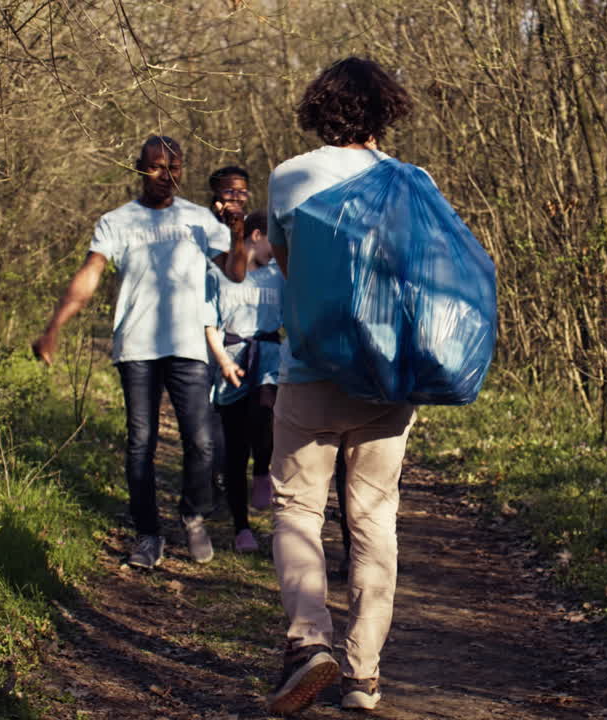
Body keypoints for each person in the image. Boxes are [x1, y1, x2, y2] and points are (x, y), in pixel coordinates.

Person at [263, 57, 415, 715]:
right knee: (374, 517)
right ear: (384, 111)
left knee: (298, 508)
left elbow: (289, 271)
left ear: (318, 109)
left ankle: (309, 642)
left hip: (311, 371)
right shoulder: (413, 184)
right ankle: (364, 675)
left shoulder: (288, 178)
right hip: (386, 377)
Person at [32, 135, 247, 570]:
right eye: (155, 167)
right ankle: (149, 534)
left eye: (175, 167)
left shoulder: (200, 219)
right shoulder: (118, 221)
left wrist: (238, 229)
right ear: (138, 168)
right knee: (140, 445)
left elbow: (237, 273)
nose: (166, 175)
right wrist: (55, 326)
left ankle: (192, 514)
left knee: (202, 444)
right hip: (137, 347)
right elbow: (90, 273)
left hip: (188, 345)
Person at [204, 210, 283, 553]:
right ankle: (242, 528)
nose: (275, 247)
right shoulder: (218, 274)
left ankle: (263, 470)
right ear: (255, 236)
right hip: (233, 358)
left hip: (269, 354)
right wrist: (221, 360)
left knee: (265, 418)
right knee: (235, 448)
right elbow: (208, 322)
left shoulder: (280, 274)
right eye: (271, 239)